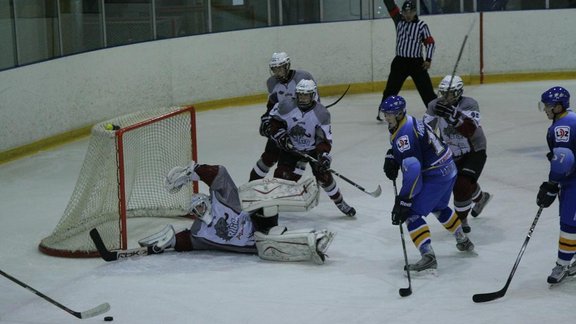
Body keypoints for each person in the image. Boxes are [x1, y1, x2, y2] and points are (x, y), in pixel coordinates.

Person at [138, 161, 335, 265]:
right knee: (268, 244)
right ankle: (312, 242)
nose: (201, 211)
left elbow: (219, 174)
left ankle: (303, 193)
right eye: (196, 211)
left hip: (259, 219)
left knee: (257, 194)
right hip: (257, 243)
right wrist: (170, 241)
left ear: (207, 201)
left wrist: (196, 170)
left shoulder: (220, 200)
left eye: (201, 205)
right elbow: (188, 241)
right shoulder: (200, 232)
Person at [381, 95, 474, 273]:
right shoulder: (409, 122)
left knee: (411, 214)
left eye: (390, 114)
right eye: (385, 113)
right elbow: (417, 147)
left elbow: (413, 168)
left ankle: (428, 256)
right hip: (449, 167)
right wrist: (392, 155)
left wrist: (404, 200)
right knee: (439, 206)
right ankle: (462, 239)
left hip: (436, 173)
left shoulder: (404, 134)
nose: (387, 117)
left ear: (400, 113)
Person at [264, 79, 356, 217]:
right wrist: (280, 135)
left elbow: (323, 138)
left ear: (313, 95)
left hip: (312, 150)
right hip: (291, 149)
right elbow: (274, 122)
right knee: (281, 178)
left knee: (324, 177)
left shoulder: (322, 113)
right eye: (300, 95)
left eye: (306, 95)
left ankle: (339, 201)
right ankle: (272, 206)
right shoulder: (286, 105)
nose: (302, 98)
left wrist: (323, 155)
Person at [423, 75, 492, 233]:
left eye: (449, 93)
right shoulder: (435, 105)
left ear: (459, 92)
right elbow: (427, 131)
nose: (444, 97)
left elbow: (470, 129)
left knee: (461, 184)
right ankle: (482, 198)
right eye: (442, 93)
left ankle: (462, 220)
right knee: (463, 181)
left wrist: (453, 115)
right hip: (450, 151)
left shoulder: (470, 104)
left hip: (475, 149)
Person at [249, 52, 318, 181]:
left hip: (300, 127)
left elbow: (315, 104)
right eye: (275, 69)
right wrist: (266, 120)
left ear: (287, 66)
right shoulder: (271, 82)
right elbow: (272, 106)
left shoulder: (303, 77)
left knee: (297, 159)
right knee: (269, 157)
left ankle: (289, 188)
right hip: (281, 126)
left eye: (280, 68)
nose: (278, 73)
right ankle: (251, 187)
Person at [535, 86, 576, 284]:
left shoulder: (563, 127)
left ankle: (562, 264)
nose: (546, 109)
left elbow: (564, 159)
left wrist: (552, 184)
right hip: (572, 179)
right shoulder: (569, 119)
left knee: (569, 222)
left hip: (574, 181)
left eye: (549, 106)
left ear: (560, 106)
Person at [377, 0, 437, 121]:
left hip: (417, 63)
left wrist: (428, 59)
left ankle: (435, 111)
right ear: (402, 13)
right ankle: (384, 111)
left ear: (415, 12)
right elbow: (390, 6)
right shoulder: (398, 20)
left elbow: (430, 43)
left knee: (427, 91)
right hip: (400, 62)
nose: (408, 15)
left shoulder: (421, 25)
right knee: (391, 89)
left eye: (411, 12)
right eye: (406, 12)